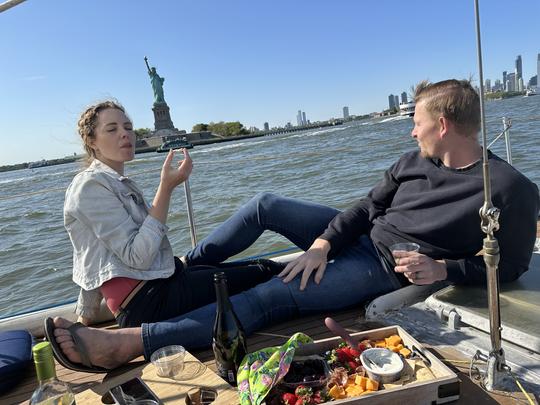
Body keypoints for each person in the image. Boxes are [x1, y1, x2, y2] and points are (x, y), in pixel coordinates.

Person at [48, 79, 539, 373]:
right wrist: (324, 242)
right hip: (360, 238)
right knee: (267, 204)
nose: (411, 128)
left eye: (417, 120)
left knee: (271, 294)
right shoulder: (414, 159)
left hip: (386, 269)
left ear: (444, 125)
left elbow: (512, 266)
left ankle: (129, 343)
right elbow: (366, 207)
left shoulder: (510, 189)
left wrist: (443, 268)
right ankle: (187, 271)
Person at [65, 100, 284, 331]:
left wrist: (84, 320)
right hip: (147, 301)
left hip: (159, 283)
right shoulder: (90, 187)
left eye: (128, 127)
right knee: (264, 272)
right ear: (91, 141)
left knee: (261, 265)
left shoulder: (111, 182)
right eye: (112, 129)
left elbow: (90, 255)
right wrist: (166, 187)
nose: (125, 134)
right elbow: (137, 257)